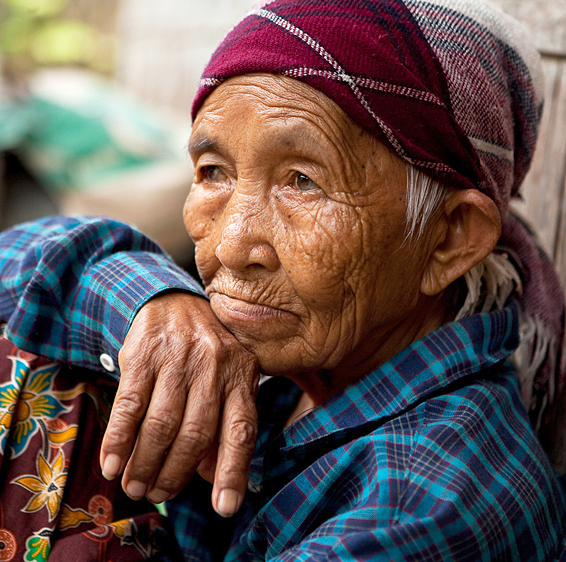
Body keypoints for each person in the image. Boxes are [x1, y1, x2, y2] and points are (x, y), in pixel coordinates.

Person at [1, 0, 566, 560]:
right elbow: (17, 260)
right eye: (214, 172)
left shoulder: (426, 504)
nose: (230, 245)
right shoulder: (307, 353)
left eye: (302, 182)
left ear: (449, 238)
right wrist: (153, 301)